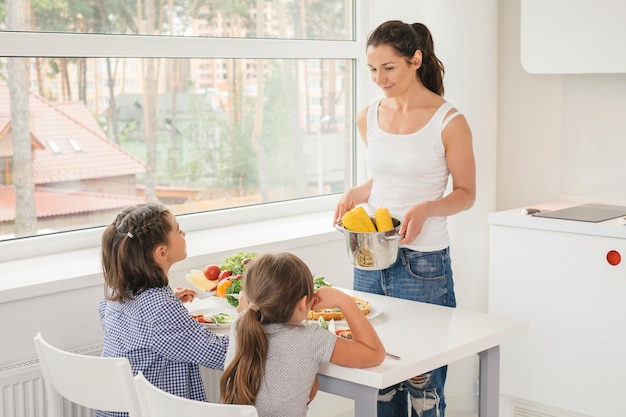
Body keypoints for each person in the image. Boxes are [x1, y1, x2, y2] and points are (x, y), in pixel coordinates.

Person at [333, 20, 476, 417]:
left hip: (423, 262)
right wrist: (358, 192)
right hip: (370, 258)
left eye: (389, 68)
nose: (379, 79)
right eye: (373, 69)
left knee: (422, 380)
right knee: (377, 371)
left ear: (415, 60)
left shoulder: (449, 121)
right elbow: (388, 177)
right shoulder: (369, 116)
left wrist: (429, 207)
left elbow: (466, 193)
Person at [98, 203, 229, 417]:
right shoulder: (159, 308)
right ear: (161, 252)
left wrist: (168, 303)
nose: (183, 233)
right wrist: (250, 313)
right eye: (178, 230)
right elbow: (222, 354)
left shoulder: (116, 294)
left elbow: (137, 326)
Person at [219, 252, 385, 417]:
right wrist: (343, 300)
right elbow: (374, 353)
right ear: (303, 303)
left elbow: (245, 308)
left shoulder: (238, 326)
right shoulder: (311, 339)